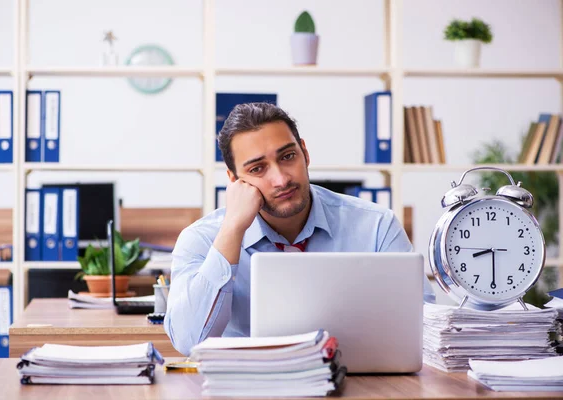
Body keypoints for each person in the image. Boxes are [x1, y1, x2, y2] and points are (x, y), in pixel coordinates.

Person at [164, 102, 435, 356]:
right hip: (247, 388)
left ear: (304, 152)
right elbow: (189, 342)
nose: (281, 179)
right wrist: (232, 230)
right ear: (235, 180)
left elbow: (424, 328)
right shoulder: (200, 239)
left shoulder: (376, 226)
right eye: (258, 168)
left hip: (360, 384)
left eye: (288, 156)